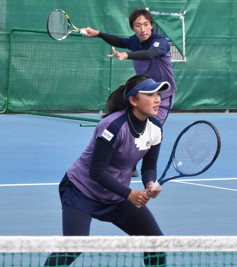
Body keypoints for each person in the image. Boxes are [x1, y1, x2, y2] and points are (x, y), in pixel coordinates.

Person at [44, 75, 169, 267]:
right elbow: (97, 171)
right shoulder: (113, 126)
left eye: (158, 94)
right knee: (73, 247)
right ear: (133, 100)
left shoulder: (155, 129)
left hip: (115, 197)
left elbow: (149, 167)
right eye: (150, 94)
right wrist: (130, 194)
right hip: (81, 191)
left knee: (156, 243)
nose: (157, 99)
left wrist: (150, 183)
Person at [83, 8, 177, 177]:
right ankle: (114, 157)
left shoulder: (160, 42)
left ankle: (136, 165)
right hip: (141, 92)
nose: (143, 29)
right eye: (138, 25)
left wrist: (127, 55)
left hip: (162, 97)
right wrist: (97, 33)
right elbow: (120, 40)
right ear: (133, 28)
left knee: (151, 128)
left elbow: (149, 54)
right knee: (127, 123)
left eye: (146, 24)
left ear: (151, 25)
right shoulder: (135, 41)